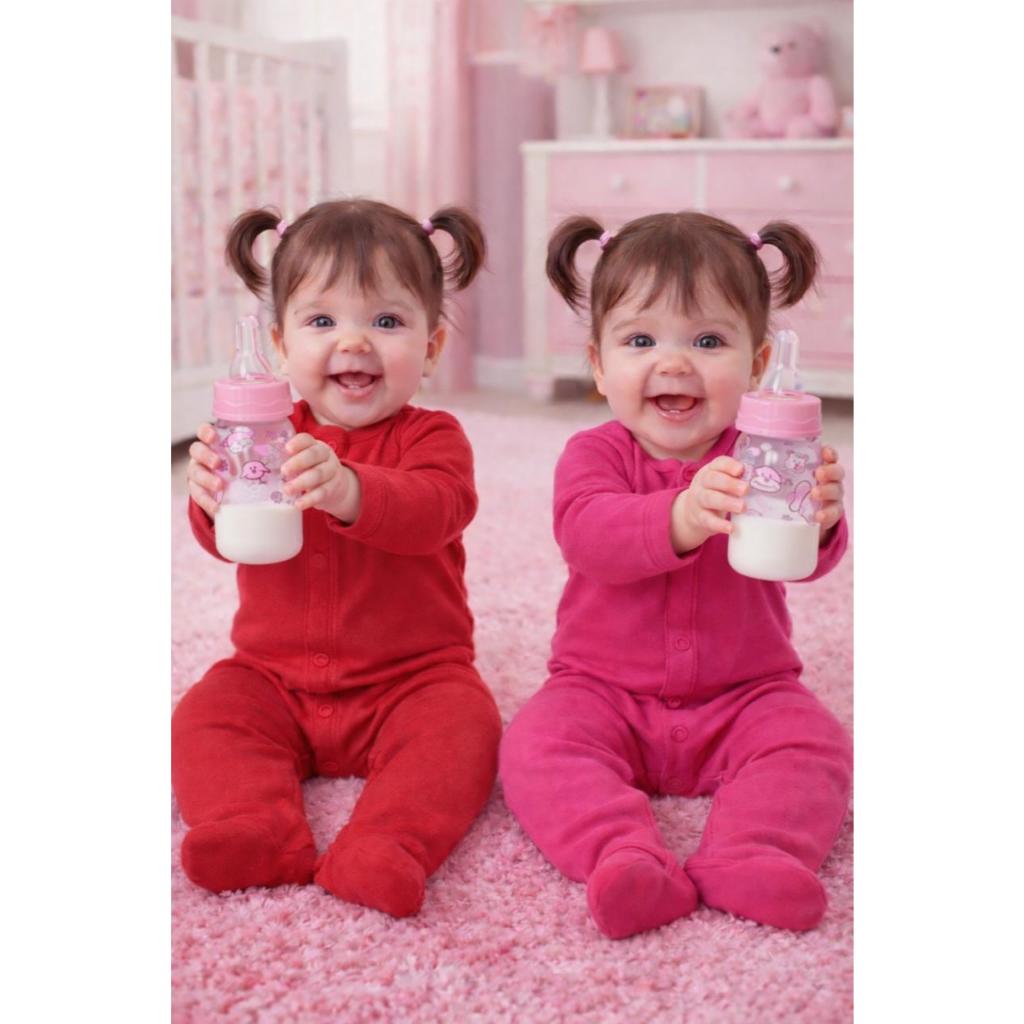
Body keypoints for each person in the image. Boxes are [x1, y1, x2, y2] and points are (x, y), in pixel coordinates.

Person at [499, 211, 852, 939]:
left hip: (745, 691)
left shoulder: (764, 454)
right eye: (640, 341)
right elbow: (588, 537)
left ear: (758, 365)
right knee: (534, 746)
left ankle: (753, 851)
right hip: (603, 690)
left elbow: (804, 563)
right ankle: (621, 855)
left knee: (815, 744)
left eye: (709, 341)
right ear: (599, 366)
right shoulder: (594, 454)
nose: (674, 363)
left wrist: (818, 522)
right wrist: (682, 515)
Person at [173, 199, 501, 919]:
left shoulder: (433, 438)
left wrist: (350, 488)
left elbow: (437, 510)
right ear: (280, 346)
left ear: (432, 347)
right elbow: (227, 541)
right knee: (205, 715)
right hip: (275, 676)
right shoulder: (264, 435)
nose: (354, 342)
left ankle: (388, 843)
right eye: (321, 322)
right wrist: (211, 500)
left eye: (386, 321)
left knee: (465, 730)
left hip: (411, 679)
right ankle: (254, 826)